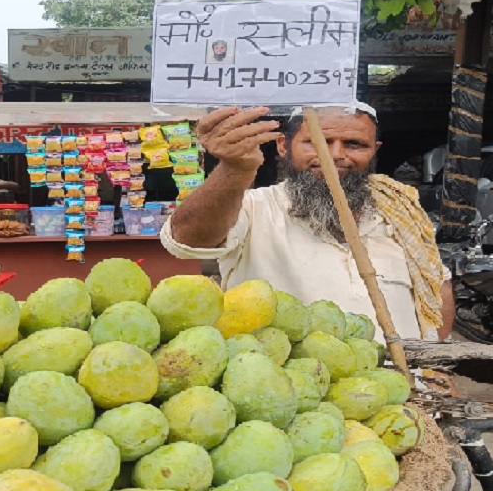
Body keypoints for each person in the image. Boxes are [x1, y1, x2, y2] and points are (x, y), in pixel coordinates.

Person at [162, 103, 454, 344]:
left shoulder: (400, 213)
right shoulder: (254, 208)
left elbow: (436, 287)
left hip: (400, 394)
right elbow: (188, 241)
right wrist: (234, 169)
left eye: (354, 144)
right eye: (318, 142)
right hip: (293, 396)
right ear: (282, 146)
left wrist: (432, 364)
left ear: (374, 150)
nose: (336, 155)